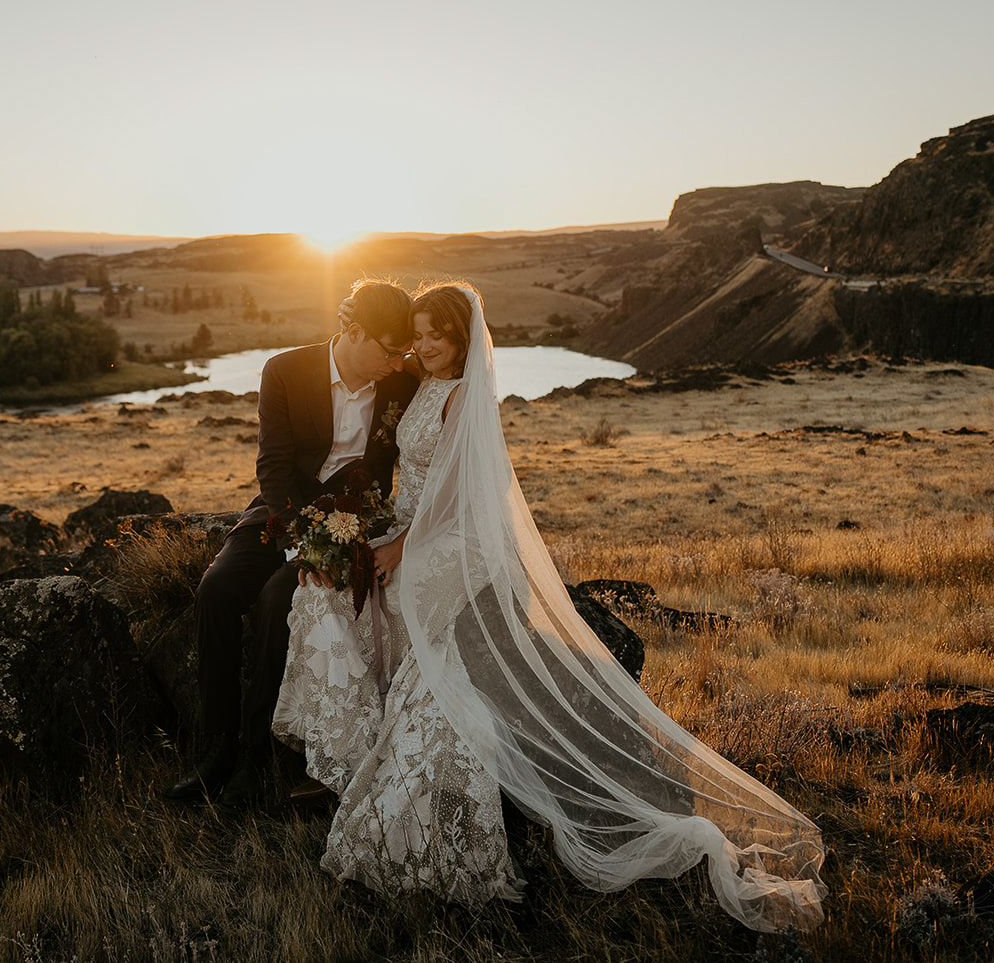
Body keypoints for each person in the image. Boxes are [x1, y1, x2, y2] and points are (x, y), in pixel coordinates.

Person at [272, 282, 827, 931]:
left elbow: (462, 501)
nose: (422, 345)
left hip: (451, 541)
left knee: (426, 654)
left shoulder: (460, 399)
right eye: (417, 333)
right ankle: (342, 745)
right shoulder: (415, 385)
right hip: (410, 528)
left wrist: (402, 546)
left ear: (463, 339)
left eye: (436, 335)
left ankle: (425, 802)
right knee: (328, 595)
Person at [165, 279, 419, 812]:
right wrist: (299, 541)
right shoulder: (284, 370)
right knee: (217, 588)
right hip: (282, 515)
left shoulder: (402, 385)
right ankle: (215, 751)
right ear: (353, 330)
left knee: (280, 600)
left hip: (354, 525)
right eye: (390, 351)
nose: (397, 364)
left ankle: (255, 760)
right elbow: (273, 468)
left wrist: (341, 540)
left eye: (404, 353)